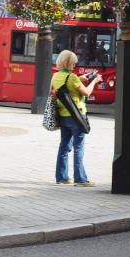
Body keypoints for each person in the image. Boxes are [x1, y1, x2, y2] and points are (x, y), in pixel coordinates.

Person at [51, 49, 101, 187]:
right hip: (77, 116)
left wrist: (81, 78)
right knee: (78, 148)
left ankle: (62, 177)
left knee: (64, 147)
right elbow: (87, 92)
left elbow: (62, 86)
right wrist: (94, 80)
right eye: (73, 64)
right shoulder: (72, 77)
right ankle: (80, 179)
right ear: (68, 63)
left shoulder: (55, 76)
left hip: (63, 116)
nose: (74, 66)